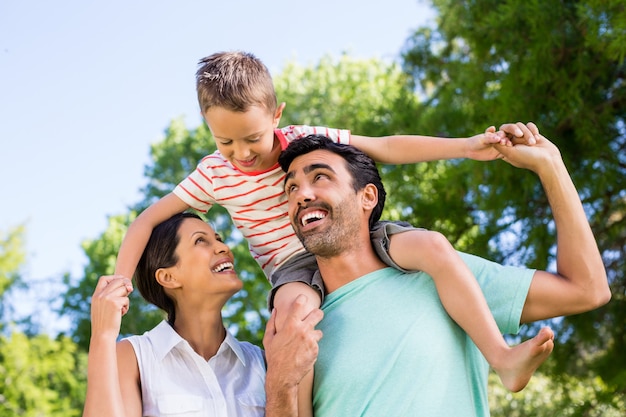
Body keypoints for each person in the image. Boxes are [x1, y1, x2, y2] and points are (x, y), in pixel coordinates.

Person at [114, 50, 541, 415]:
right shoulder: (214, 173)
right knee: (293, 316)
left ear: (276, 115)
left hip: (350, 235)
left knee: (432, 245)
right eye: (225, 141)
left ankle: (501, 356)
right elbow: (145, 220)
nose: (241, 154)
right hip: (291, 266)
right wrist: (119, 282)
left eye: (253, 138)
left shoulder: (306, 141)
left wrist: (465, 146)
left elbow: (386, 146)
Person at [278, 124, 611, 416]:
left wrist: (551, 167)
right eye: (291, 188)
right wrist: (278, 383)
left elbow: (587, 289)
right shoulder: (297, 320)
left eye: (320, 177)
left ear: (367, 197)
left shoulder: (445, 275)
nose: (301, 195)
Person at [83, 212, 323, 417]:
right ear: (168, 277)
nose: (223, 247)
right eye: (201, 241)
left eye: (218, 239)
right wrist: (103, 335)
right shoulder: (135, 357)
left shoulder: (263, 361)